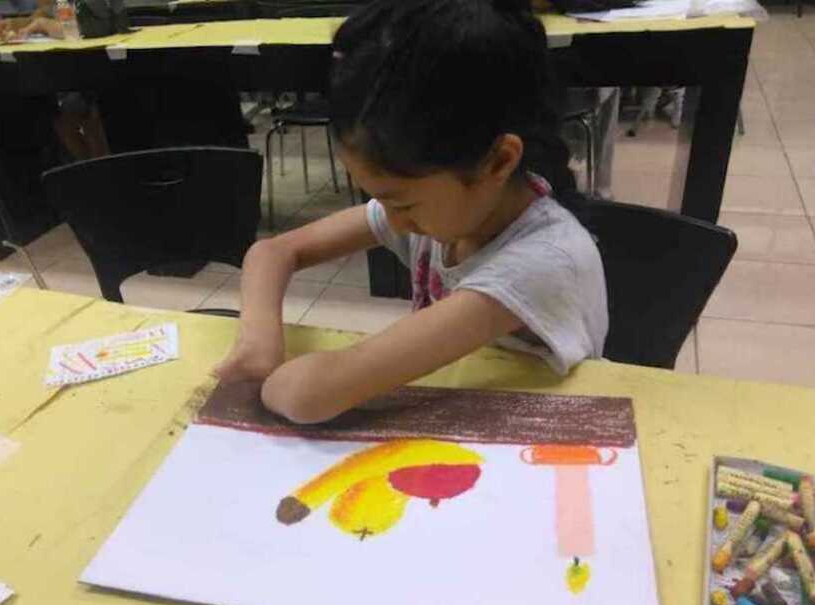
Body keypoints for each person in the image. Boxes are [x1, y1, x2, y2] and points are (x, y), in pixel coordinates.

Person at [214, 0, 608, 424]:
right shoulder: (452, 208)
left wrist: (273, 379)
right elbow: (274, 252)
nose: (393, 220)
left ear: (497, 162)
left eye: (400, 201)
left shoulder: (539, 265)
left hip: (537, 444)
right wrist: (257, 341)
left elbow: (310, 395)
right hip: (462, 412)